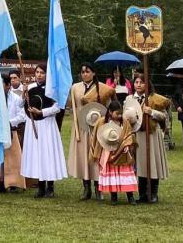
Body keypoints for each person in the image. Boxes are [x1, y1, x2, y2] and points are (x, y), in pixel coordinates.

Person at [67, 62, 115, 200]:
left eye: (87, 71)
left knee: (97, 156)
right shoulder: (75, 88)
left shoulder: (103, 89)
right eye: (82, 72)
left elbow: (108, 107)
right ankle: (86, 188)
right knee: (83, 157)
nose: (85, 74)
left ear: (93, 73)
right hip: (81, 127)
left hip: (97, 128)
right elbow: (72, 106)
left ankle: (98, 188)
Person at [21, 64, 68, 198]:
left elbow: (58, 107)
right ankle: (40, 186)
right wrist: (24, 95)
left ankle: (50, 186)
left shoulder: (52, 89)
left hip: (47, 124)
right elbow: (21, 105)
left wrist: (42, 112)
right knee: (38, 154)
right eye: (37, 72)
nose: (39, 75)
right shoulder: (29, 87)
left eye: (42, 72)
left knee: (48, 153)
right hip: (34, 125)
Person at [127, 73, 170, 203]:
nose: (138, 85)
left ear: (147, 84)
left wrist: (151, 111)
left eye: (141, 82)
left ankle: (153, 193)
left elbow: (164, 117)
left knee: (152, 162)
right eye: (136, 82)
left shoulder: (154, 99)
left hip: (151, 134)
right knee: (140, 164)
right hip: (138, 134)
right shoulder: (130, 99)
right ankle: (142, 194)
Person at [91, 100, 137, 205]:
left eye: (121, 113)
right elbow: (96, 136)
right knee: (112, 175)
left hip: (122, 151)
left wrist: (126, 145)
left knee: (125, 174)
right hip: (108, 152)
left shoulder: (125, 122)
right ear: (110, 112)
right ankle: (114, 196)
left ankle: (130, 196)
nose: (120, 115)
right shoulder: (102, 122)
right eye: (117, 113)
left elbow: (129, 135)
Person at [0, 74, 26, 192]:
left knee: (12, 159)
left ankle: (12, 183)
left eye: (1, 84)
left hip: (10, 131)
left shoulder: (15, 98)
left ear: (8, 85)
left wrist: (8, 123)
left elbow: (22, 116)